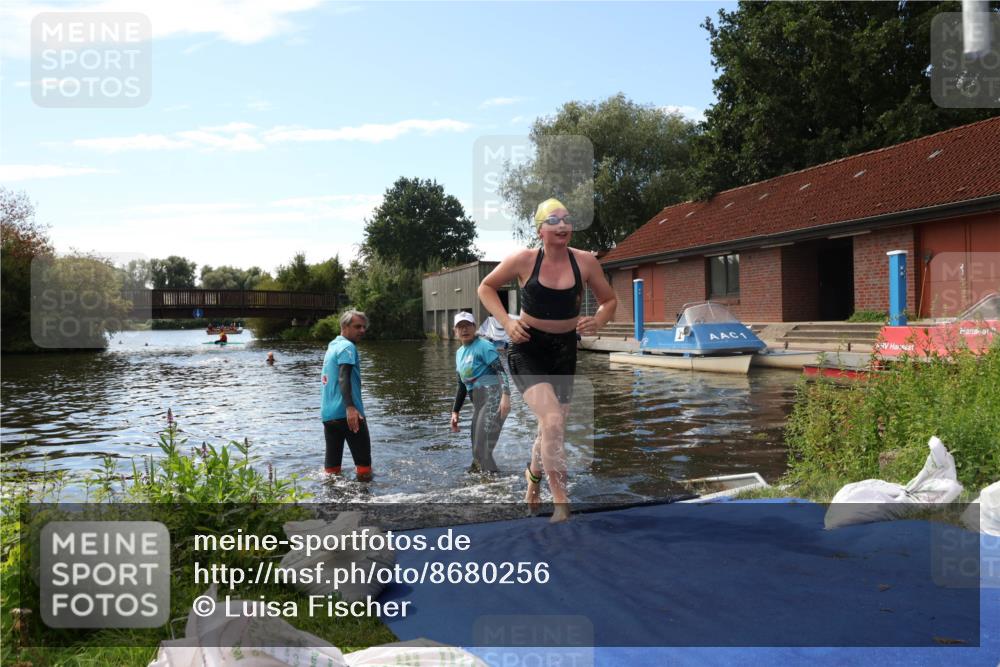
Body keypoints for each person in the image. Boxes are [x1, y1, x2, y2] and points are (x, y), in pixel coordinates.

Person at [478, 198, 616, 522]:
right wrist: (507, 323)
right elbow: (486, 287)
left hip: (564, 351)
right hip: (528, 348)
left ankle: (533, 479)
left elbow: (609, 301)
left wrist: (599, 320)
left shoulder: (585, 262)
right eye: (554, 220)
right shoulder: (524, 260)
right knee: (552, 421)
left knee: (551, 427)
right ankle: (561, 502)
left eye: (567, 219)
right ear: (540, 229)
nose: (563, 226)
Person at [450, 311, 512, 474]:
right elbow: (461, 385)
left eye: (468, 326)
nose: (464, 330)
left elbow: (501, 371)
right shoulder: (459, 354)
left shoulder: (484, 346)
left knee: (482, 448)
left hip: (493, 398)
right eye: (460, 327)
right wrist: (455, 410)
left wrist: (506, 396)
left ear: (474, 327)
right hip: (479, 404)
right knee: (477, 451)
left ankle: (493, 484)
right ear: (455, 331)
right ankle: (485, 481)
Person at [320, 310, 372, 481]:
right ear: (344, 326)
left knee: (332, 470)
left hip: (329, 416)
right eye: (357, 326)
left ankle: (332, 501)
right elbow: (343, 377)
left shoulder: (333, 345)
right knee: (364, 468)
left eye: (364, 327)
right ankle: (366, 502)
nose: (362, 330)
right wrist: (350, 408)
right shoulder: (348, 347)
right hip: (349, 414)